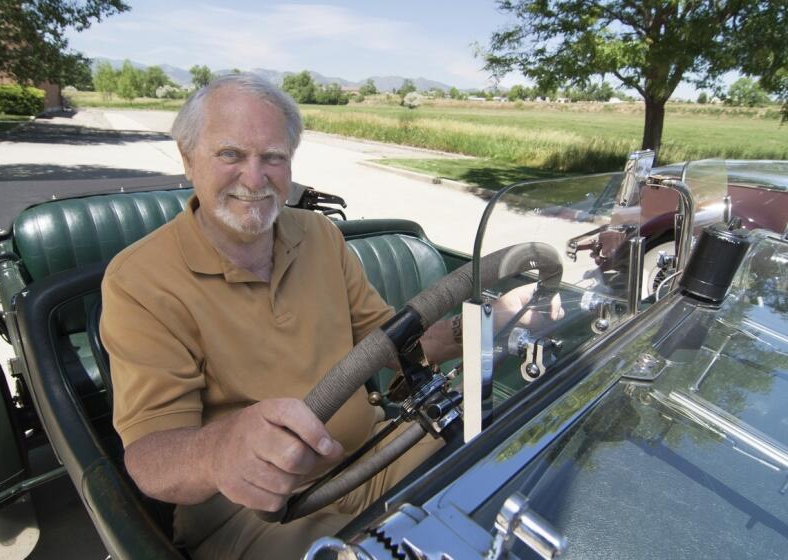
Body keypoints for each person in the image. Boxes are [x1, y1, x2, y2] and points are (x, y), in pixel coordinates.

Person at [100, 73, 561, 559]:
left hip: (371, 455)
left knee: (518, 466)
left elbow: (399, 342)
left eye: (273, 157)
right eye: (231, 154)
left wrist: (498, 318)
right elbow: (150, 458)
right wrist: (219, 453)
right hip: (254, 511)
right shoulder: (140, 280)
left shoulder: (319, 236)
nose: (255, 180)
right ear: (187, 156)